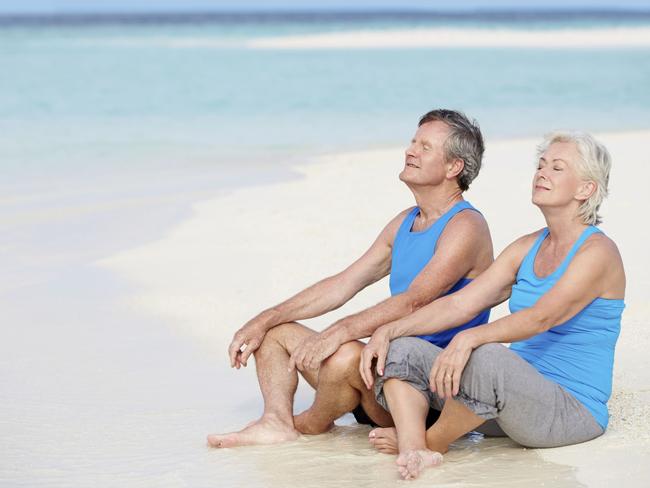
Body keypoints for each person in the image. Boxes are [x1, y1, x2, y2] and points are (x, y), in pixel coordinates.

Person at [207, 109, 494, 448]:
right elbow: (344, 283)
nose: (410, 151)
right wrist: (265, 318)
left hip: (422, 391)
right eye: (412, 142)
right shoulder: (405, 221)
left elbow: (414, 301)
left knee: (344, 355)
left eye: (425, 147)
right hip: (378, 369)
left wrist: (339, 332)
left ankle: (313, 421)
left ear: (453, 167)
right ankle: (276, 422)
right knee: (276, 334)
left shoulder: (466, 226)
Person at [360, 131, 625, 480]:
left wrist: (469, 339)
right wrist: (390, 329)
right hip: (503, 408)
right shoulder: (527, 247)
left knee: (485, 353)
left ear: (585, 189)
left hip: (567, 413)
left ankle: (432, 441)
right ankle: (412, 448)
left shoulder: (598, 253)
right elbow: (460, 304)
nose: (542, 173)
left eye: (557, 168)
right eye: (541, 165)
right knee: (404, 348)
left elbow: (542, 317)